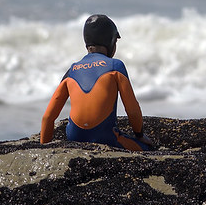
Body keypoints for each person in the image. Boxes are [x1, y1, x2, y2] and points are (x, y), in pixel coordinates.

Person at [41, 14, 156, 151]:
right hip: (106, 137)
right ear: (111, 41)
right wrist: (140, 134)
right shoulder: (115, 66)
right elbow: (132, 110)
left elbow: (48, 117)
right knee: (149, 149)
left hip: (74, 136)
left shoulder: (72, 70)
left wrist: (44, 147)